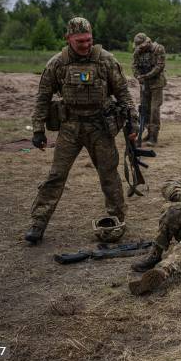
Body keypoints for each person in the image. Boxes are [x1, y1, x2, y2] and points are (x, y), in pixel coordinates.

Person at [25, 17, 138, 244]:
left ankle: (117, 219)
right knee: (56, 175)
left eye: (89, 40)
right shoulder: (57, 64)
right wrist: (38, 130)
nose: (86, 45)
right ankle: (38, 222)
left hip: (100, 127)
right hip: (70, 128)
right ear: (68, 39)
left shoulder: (106, 61)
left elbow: (124, 94)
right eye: (80, 41)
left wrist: (133, 123)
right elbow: (42, 98)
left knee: (109, 175)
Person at [131, 33, 166, 146]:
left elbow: (159, 66)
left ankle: (153, 136)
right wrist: (138, 76)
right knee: (145, 109)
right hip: (144, 84)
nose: (140, 48)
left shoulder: (158, 49)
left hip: (156, 83)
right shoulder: (137, 51)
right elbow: (134, 65)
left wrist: (146, 76)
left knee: (154, 109)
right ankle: (147, 133)